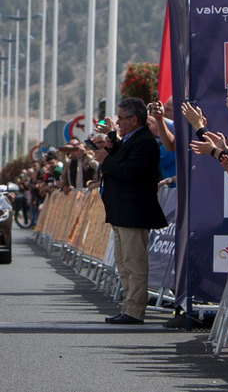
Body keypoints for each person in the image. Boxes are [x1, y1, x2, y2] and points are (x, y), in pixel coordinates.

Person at [93, 97, 167, 325]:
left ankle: (135, 310)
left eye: (122, 118)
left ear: (134, 119)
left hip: (134, 212)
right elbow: (121, 158)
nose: (119, 122)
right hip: (122, 213)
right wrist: (110, 144)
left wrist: (106, 160)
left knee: (135, 264)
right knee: (124, 263)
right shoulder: (130, 139)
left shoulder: (145, 142)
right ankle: (128, 306)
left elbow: (130, 172)